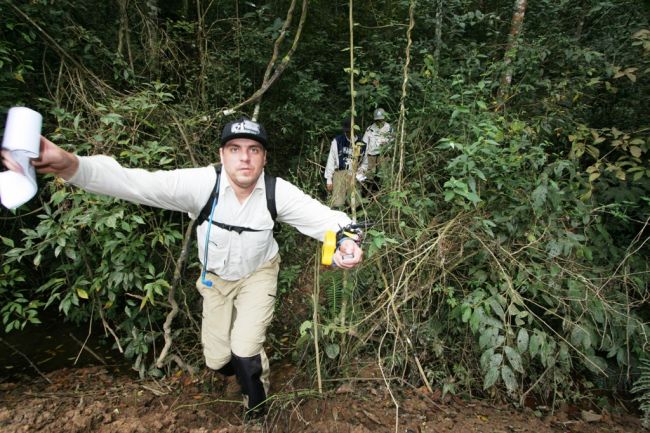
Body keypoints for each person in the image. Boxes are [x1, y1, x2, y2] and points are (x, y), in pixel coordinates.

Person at [1, 117, 363, 418]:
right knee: (217, 357)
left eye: (254, 150)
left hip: (259, 273)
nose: (245, 159)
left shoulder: (275, 191)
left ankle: (257, 408)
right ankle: (246, 363)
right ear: (222, 155)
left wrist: (347, 239)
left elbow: (325, 219)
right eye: (235, 149)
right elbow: (135, 182)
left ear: (264, 158)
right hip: (216, 279)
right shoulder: (201, 185)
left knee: (244, 349)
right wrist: (71, 165)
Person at [324, 118, 367, 209]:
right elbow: (331, 160)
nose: (348, 133)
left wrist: (361, 171)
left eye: (350, 131)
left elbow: (364, 162)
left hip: (354, 174)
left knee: (355, 203)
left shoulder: (361, 144)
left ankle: (353, 221)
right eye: (346, 131)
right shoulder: (338, 141)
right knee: (337, 203)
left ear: (355, 130)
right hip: (340, 173)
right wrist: (329, 179)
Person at [361, 108, 393, 183]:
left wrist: (387, 146)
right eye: (377, 120)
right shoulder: (370, 129)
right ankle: (370, 192)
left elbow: (392, 143)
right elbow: (365, 145)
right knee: (369, 176)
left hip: (384, 155)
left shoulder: (389, 129)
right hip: (371, 156)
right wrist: (364, 161)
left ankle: (384, 191)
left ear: (384, 118)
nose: (379, 122)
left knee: (384, 176)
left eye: (381, 120)